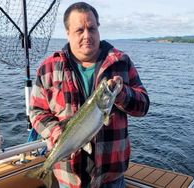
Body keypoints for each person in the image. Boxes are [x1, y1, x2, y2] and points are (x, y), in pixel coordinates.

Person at [29, 2, 149, 188]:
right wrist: (56, 132)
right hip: (68, 179)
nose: (87, 35)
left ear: (98, 29)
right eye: (79, 30)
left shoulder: (120, 62)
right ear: (67, 33)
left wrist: (121, 93)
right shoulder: (48, 68)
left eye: (92, 28)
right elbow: (36, 111)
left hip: (112, 178)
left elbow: (143, 106)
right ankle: (45, 170)